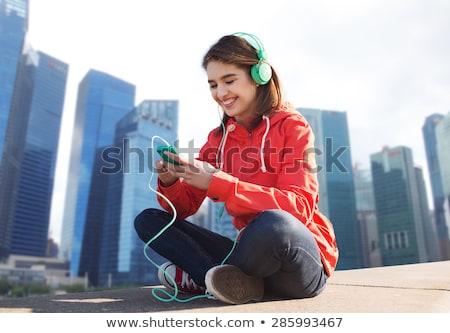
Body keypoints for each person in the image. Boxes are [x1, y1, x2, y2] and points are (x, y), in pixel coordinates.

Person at [134, 32, 338, 305]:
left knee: (275, 224)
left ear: (259, 76)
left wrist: (217, 182)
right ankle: (220, 279)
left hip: (296, 260)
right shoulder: (217, 140)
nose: (220, 93)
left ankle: (203, 277)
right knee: (149, 220)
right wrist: (170, 181)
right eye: (213, 85)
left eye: (229, 81)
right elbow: (182, 211)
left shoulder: (292, 126)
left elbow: (299, 207)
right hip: (248, 257)